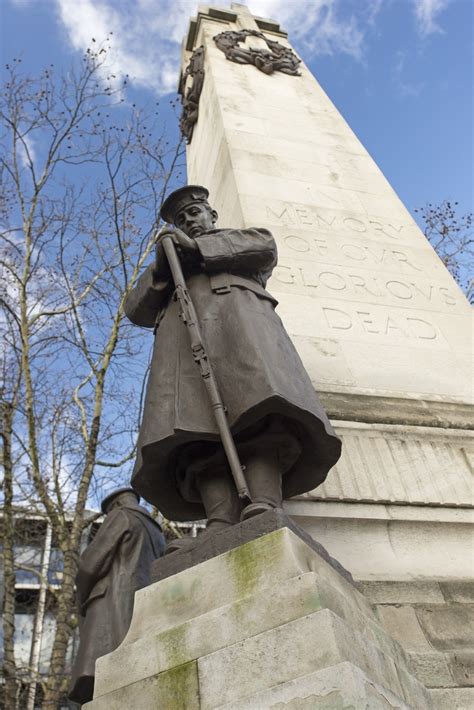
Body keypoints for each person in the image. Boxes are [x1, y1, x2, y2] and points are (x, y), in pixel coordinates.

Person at [124, 185, 341, 551]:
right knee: (195, 434)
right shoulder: (166, 267)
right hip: (185, 354)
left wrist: (198, 250)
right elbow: (135, 309)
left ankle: (266, 502)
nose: (189, 222)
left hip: (240, 338)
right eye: (181, 220)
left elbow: (264, 247)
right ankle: (220, 519)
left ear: (212, 214)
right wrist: (162, 267)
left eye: (194, 214)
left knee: (257, 417)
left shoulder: (237, 240)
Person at [69, 488, 165, 705]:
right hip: (141, 604)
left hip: (111, 604)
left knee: (101, 672)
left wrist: (82, 597)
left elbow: (89, 566)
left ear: (115, 505)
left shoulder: (121, 516)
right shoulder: (156, 530)